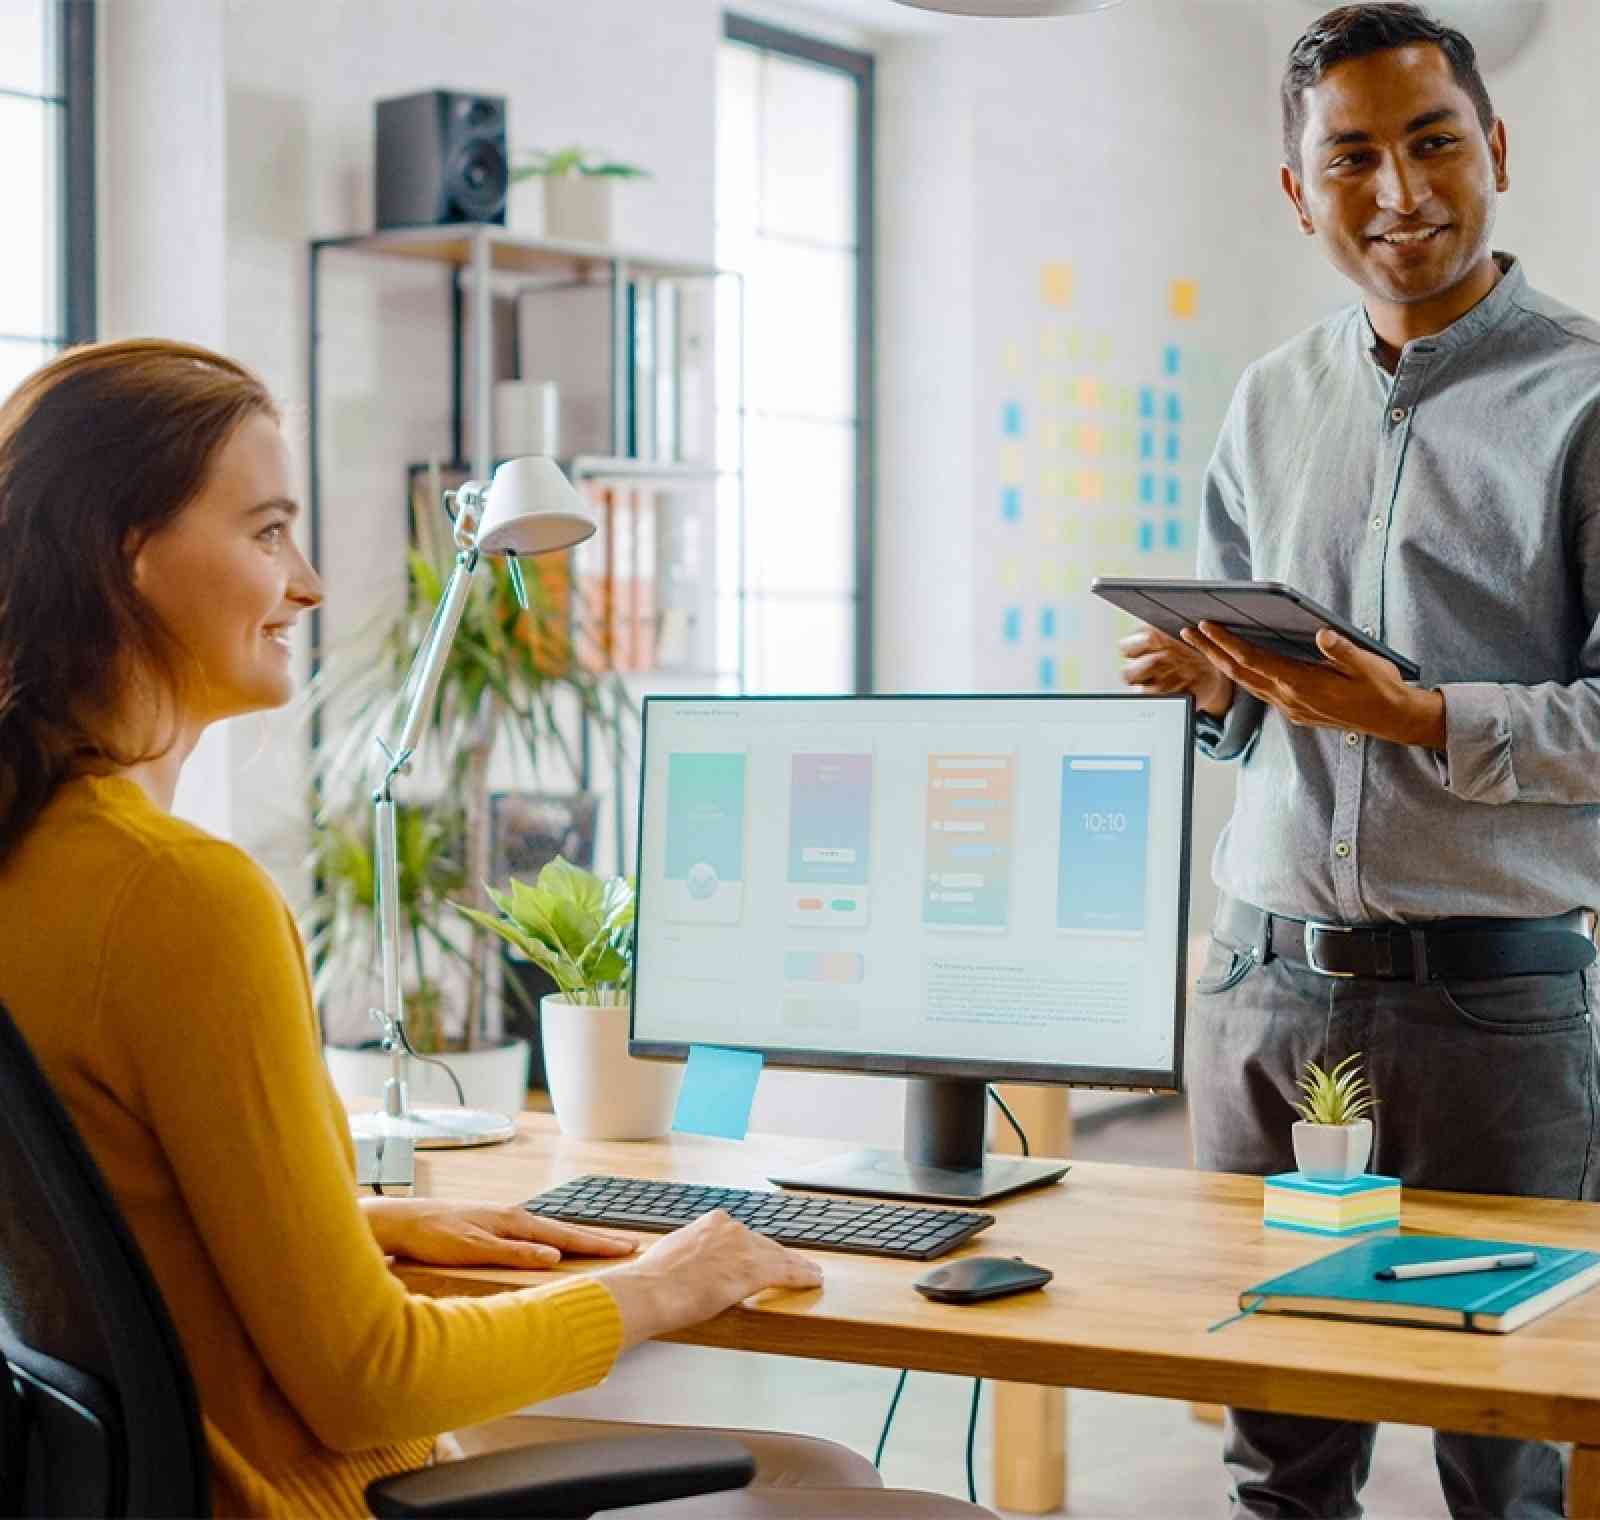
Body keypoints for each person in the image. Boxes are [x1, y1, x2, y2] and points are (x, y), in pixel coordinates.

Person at [0, 339, 990, 1520]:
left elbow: (108, 1228)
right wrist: (670, 1281)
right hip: (304, 1494)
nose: (308, 583)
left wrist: (343, 1222)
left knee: (815, 1475)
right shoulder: (176, 894)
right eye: (268, 532)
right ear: (131, 556)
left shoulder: (39, 857)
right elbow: (373, 1381)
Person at [1121, 5, 1600, 1517]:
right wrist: (1207, 686)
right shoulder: (1272, 402)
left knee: (1506, 1453)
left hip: (1496, 1006)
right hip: (1260, 991)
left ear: (1497, 148)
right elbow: (1252, 709)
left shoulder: (1589, 401)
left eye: (1433, 141)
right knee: (1280, 1446)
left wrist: (1425, 718)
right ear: (1295, 189)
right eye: (1353, 158)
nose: (1399, 192)